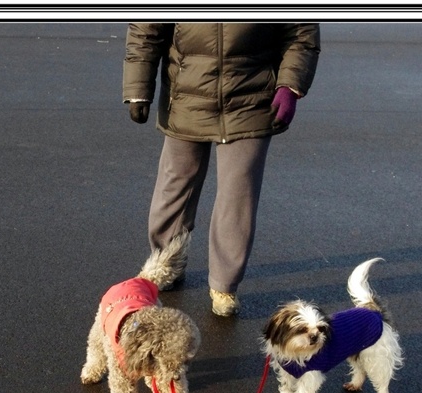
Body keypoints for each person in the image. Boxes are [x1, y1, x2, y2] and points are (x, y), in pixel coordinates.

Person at [123, 23, 321, 316]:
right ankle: (166, 262)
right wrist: (139, 88)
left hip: (251, 99)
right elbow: (146, 30)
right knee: (175, 184)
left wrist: (290, 85)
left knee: (237, 195)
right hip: (187, 94)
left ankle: (224, 285)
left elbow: (301, 33)